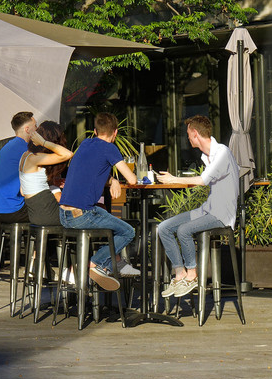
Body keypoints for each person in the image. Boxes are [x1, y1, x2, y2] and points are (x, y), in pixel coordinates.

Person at [156, 115, 240, 299]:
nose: (187, 138)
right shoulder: (207, 156)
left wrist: (173, 179)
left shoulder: (222, 152)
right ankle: (180, 275)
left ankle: (192, 275)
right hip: (206, 210)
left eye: (188, 134)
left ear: (195, 133)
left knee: (184, 230)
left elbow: (203, 181)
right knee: (163, 228)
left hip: (221, 215)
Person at [57, 112, 139, 292]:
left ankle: (107, 266)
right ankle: (93, 265)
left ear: (94, 131)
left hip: (64, 214)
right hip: (83, 215)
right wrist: (118, 179)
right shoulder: (110, 149)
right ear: (115, 133)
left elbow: (93, 169)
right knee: (128, 232)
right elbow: (132, 180)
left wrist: (113, 180)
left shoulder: (85, 143)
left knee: (106, 219)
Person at [18, 120, 73, 226]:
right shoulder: (35, 158)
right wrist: (44, 142)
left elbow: (23, 191)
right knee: (88, 212)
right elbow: (68, 154)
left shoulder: (25, 156)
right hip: (49, 215)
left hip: (36, 216)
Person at [0, 112, 37, 225]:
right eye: (35, 126)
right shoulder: (25, 150)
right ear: (27, 129)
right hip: (14, 210)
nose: (38, 128)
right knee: (51, 210)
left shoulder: (8, 147)